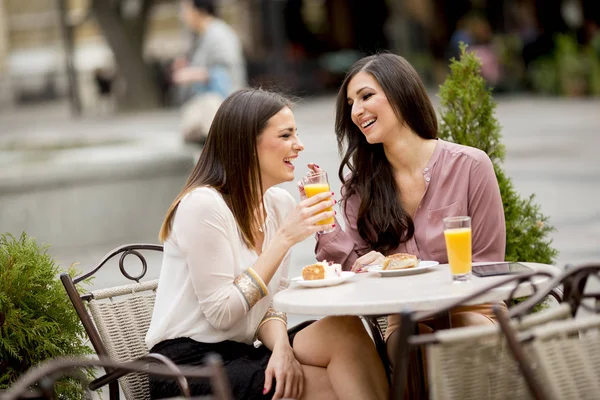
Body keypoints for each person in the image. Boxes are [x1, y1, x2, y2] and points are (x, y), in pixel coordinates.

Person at [146, 88, 389, 400]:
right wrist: (284, 238)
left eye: (296, 134)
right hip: (187, 367)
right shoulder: (203, 205)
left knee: (344, 329)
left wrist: (283, 350)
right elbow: (222, 312)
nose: (299, 146)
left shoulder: (278, 204)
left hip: (242, 352)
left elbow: (269, 303)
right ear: (248, 145)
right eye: (286, 135)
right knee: (331, 385)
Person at [311, 53, 507, 364]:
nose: (357, 111)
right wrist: (328, 228)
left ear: (401, 93)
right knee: (407, 342)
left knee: (467, 331)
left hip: (471, 308)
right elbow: (354, 277)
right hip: (406, 316)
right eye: (350, 104)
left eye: (366, 96)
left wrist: (411, 268)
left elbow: (487, 265)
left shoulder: (470, 166)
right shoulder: (358, 188)